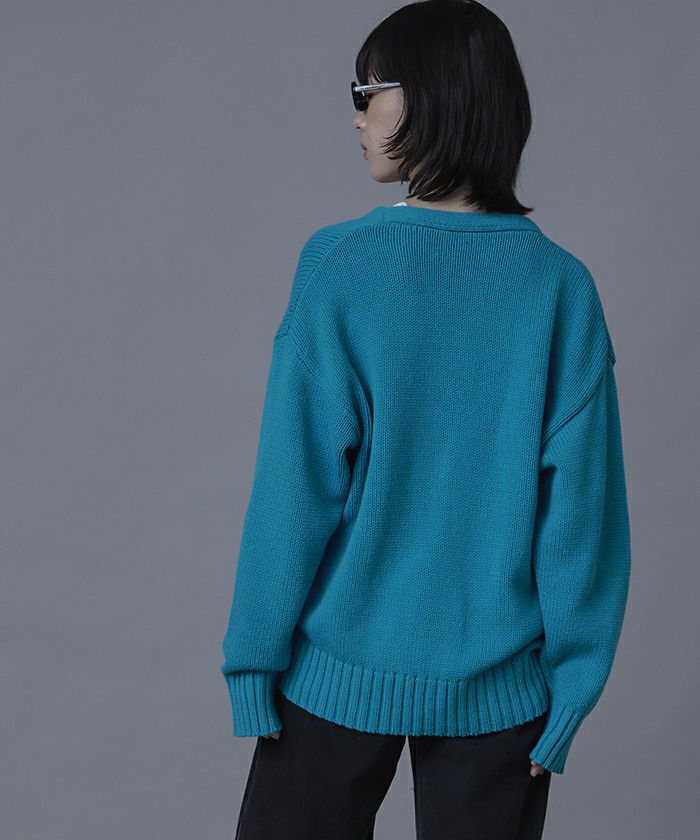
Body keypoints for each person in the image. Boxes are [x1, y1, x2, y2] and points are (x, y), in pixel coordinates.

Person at [221, 1, 632, 838]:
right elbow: (581, 521)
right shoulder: (560, 287)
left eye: (368, 91)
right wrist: (573, 684)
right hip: (499, 691)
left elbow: (293, 489)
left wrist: (253, 660)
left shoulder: (341, 265)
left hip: (341, 672)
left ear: (437, 95)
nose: (357, 115)